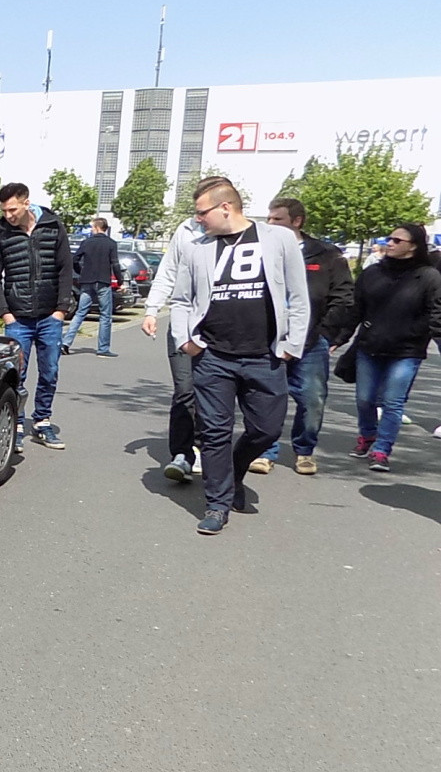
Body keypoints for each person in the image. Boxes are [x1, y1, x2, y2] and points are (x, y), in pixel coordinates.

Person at [167, 180, 309, 535]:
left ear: (226, 207)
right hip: (213, 356)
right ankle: (218, 504)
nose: (197, 220)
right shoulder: (197, 248)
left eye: (202, 212)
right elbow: (182, 299)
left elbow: (298, 294)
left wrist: (292, 343)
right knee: (214, 432)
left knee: (266, 430)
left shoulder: (278, 239)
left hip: (265, 355)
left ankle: (234, 467)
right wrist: (185, 340)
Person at [250, 197, 354, 475]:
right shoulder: (259, 251)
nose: (270, 224)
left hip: (311, 342)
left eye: (277, 219)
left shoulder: (326, 254)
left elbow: (343, 296)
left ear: (296, 222)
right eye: (269, 219)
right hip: (268, 339)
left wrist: (327, 333)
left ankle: (304, 450)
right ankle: (265, 450)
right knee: (267, 399)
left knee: (312, 399)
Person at [0, 181, 73, 448]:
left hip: (49, 317)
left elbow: (65, 269)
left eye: (12, 209)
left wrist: (61, 310)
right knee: (16, 376)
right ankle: (17, 425)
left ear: (26, 202)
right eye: (4, 211)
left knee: (50, 372)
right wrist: (5, 314)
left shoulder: (53, 226)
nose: (8, 215)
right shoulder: (1, 234)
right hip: (18, 319)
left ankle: (43, 422)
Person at [349, 222, 441, 471]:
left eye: (397, 241)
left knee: (392, 402)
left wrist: (425, 333)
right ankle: (368, 435)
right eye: (389, 239)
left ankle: (381, 450)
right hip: (371, 345)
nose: (389, 243)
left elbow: (436, 311)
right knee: (365, 399)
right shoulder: (373, 273)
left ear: (413, 247)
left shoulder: (429, 276)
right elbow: (356, 307)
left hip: (406, 351)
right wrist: (338, 336)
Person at [143, 185, 219, 484]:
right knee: (185, 389)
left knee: (211, 392)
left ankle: (207, 449)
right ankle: (182, 454)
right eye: (197, 210)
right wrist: (151, 309)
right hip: (183, 323)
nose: (199, 216)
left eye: (205, 210)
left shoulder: (237, 236)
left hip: (220, 328)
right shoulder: (185, 231)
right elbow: (168, 271)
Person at [62, 217, 123, 357]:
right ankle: (103, 348)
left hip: (87, 281)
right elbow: (115, 264)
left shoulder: (86, 242)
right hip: (103, 281)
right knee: (105, 315)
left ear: (96, 228)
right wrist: (120, 282)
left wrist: (80, 272)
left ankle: (66, 343)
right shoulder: (111, 244)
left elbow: (74, 259)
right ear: (105, 229)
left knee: (80, 313)